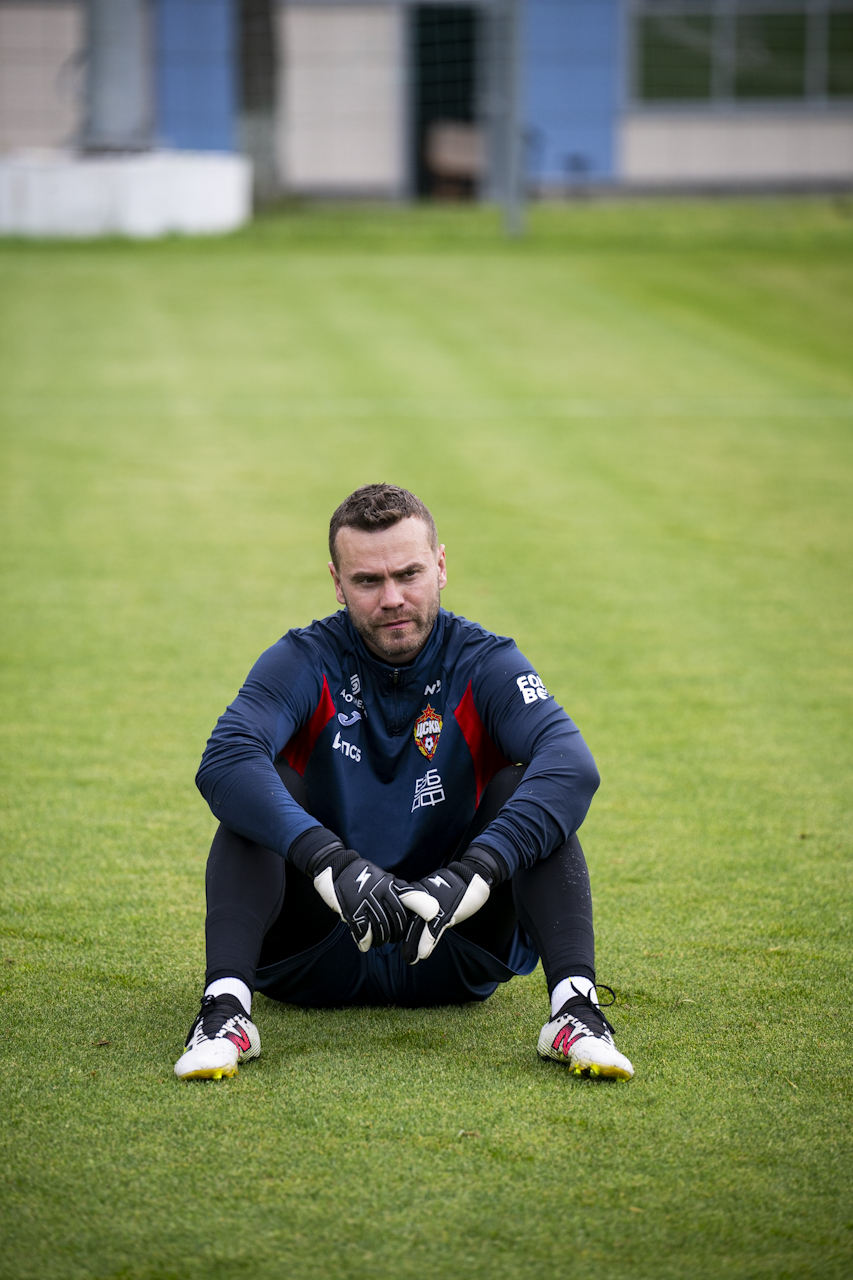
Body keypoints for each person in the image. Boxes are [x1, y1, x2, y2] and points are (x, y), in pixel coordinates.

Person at [175, 484, 634, 1083]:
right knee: (259, 793)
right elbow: (225, 757)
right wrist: (330, 863)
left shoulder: (485, 662)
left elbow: (573, 765)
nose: (392, 598)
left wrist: (474, 874)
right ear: (338, 583)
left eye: (409, 574)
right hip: (315, 952)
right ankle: (224, 1012)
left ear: (440, 566)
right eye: (368, 581)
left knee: (533, 790)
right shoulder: (303, 658)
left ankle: (576, 1011)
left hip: (455, 944)